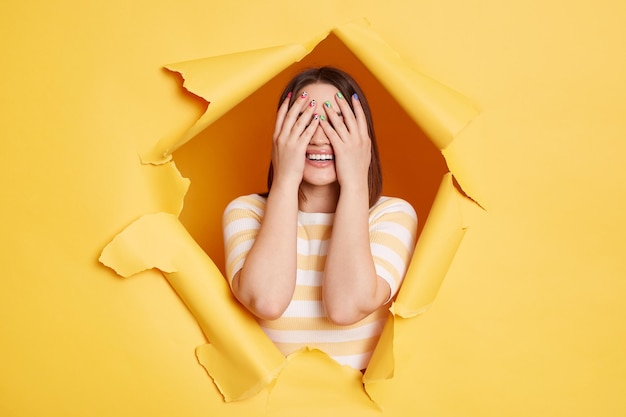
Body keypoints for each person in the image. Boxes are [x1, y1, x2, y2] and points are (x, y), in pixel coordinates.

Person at [222, 67, 417, 371]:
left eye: (337, 121)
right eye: (304, 120)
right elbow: (267, 302)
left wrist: (355, 183)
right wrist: (285, 178)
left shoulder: (391, 215)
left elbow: (346, 307)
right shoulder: (245, 212)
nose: (318, 137)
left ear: (362, 138)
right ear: (281, 135)